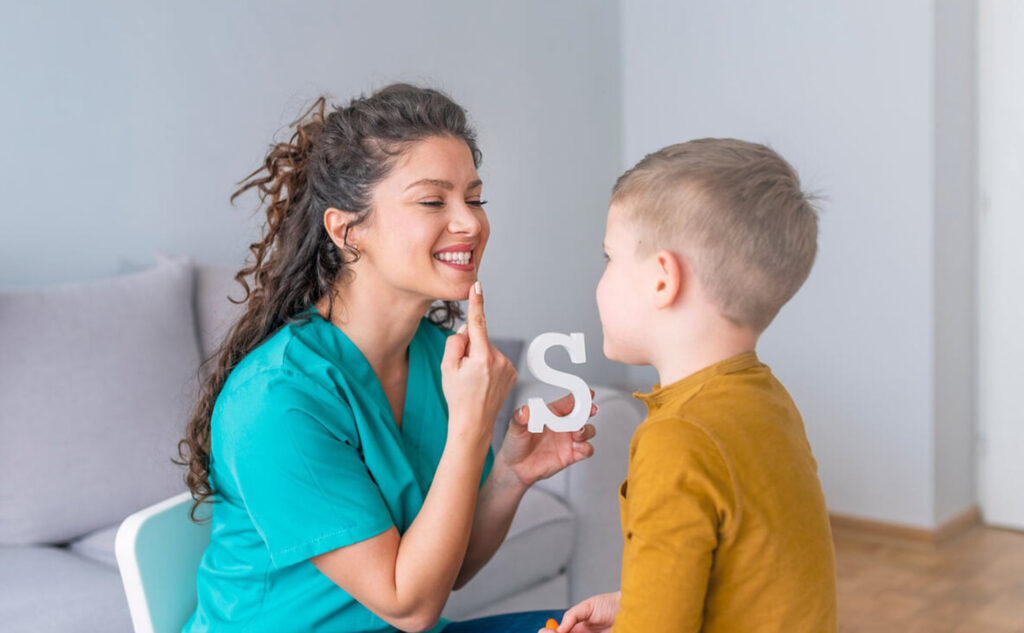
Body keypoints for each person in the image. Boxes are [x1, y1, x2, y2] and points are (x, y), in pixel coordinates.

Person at [177, 84, 598, 633]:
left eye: (474, 199)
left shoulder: (432, 355)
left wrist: (511, 474)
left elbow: (449, 567)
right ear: (347, 230)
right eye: (433, 201)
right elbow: (410, 605)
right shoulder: (277, 399)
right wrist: (470, 427)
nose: (471, 223)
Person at [548, 139, 836, 632]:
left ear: (662, 279)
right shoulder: (768, 400)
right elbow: (749, 574)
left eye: (609, 258)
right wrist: (636, 604)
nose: (601, 277)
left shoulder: (677, 439)